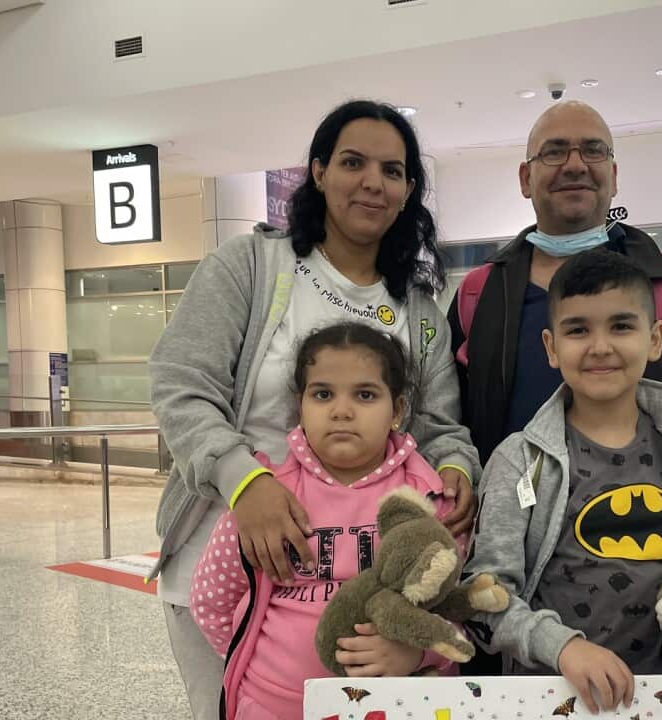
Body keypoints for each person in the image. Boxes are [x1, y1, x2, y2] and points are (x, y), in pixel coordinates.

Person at [147, 100, 479, 720]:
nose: (372, 182)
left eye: (392, 170)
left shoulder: (418, 312)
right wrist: (245, 482)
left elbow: (438, 425)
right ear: (319, 173)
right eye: (352, 162)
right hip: (227, 569)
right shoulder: (251, 266)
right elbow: (179, 382)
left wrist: (458, 466)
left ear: (409, 191)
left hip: (363, 581)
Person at [462, 250, 662, 714]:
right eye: (578, 329)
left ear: (656, 338)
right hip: (558, 700)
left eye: (621, 326)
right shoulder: (520, 461)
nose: (600, 346)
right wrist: (562, 647)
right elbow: (484, 595)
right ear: (551, 347)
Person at [447, 100, 662, 468]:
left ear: (614, 175)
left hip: (642, 518)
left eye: (592, 150)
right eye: (554, 152)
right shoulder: (478, 296)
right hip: (513, 518)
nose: (575, 164)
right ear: (526, 178)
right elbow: (450, 423)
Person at [190, 323, 463, 720]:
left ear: (398, 410)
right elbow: (212, 600)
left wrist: (419, 653)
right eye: (322, 394)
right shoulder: (267, 499)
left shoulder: (428, 499)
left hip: (396, 707)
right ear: (300, 404)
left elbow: (457, 607)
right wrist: (260, 664)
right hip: (271, 706)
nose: (341, 410)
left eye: (365, 395)